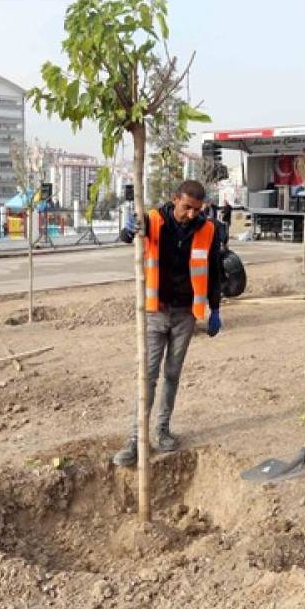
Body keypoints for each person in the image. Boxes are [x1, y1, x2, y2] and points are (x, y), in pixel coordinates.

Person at [112, 180, 224, 467]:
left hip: (186, 314)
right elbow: (127, 239)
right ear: (175, 199)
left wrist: (215, 308)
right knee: (147, 376)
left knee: (172, 374)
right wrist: (128, 230)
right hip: (155, 312)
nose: (191, 215)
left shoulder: (208, 229)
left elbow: (214, 271)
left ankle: (162, 430)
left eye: (197, 210)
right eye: (187, 208)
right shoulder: (152, 220)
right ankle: (136, 439)